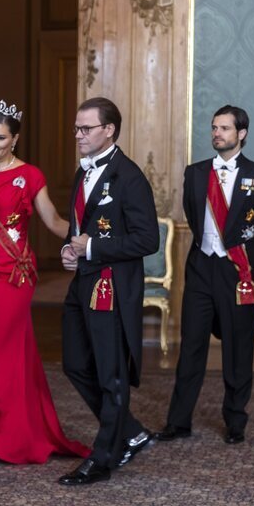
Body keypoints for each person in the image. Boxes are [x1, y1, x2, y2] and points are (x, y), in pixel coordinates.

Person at [0, 100, 90, 467]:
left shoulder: (30, 175)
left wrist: (83, 238)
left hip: (14, 277)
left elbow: (53, 220)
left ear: (15, 139)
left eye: (1, 138)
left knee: (2, 354)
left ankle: (1, 438)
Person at [155, 106, 254, 445]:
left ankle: (235, 421)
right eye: (214, 127)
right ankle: (178, 421)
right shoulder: (195, 173)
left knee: (238, 349)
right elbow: (195, 218)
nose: (217, 133)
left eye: (224, 128)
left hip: (237, 270)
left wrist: (245, 256)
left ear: (241, 134)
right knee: (191, 347)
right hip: (200, 269)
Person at [57, 97, 159, 486]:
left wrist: (93, 249)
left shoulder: (129, 176)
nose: (79, 135)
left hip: (111, 287)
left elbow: (146, 239)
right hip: (82, 280)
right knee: (75, 363)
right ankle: (130, 431)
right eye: (77, 128)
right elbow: (80, 226)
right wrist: (71, 249)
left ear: (109, 130)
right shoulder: (82, 172)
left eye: (86, 128)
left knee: (111, 374)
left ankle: (102, 459)